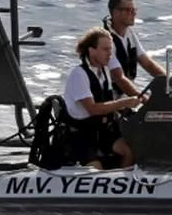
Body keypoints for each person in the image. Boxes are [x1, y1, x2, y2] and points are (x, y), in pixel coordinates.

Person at [61, 27, 146, 169]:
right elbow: (92, 109)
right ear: (91, 50)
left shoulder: (104, 72)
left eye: (111, 50)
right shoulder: (79, 75)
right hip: (80, 135)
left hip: (101, 131)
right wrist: (122, 102)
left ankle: (122, 184)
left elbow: (108, 103)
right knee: (95, 166)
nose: (110, 54)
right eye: (105, 49)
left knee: (129, 151)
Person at [102, 0, 166, 97]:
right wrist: (142, 100)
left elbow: (148, 64)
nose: (134, 14)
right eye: (128, 10)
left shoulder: (129, 34)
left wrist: (170, 81)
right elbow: (119, 78)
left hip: (126, 98)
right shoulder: (105, 40)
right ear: (115, 12)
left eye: (134, 10)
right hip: (110, 100)